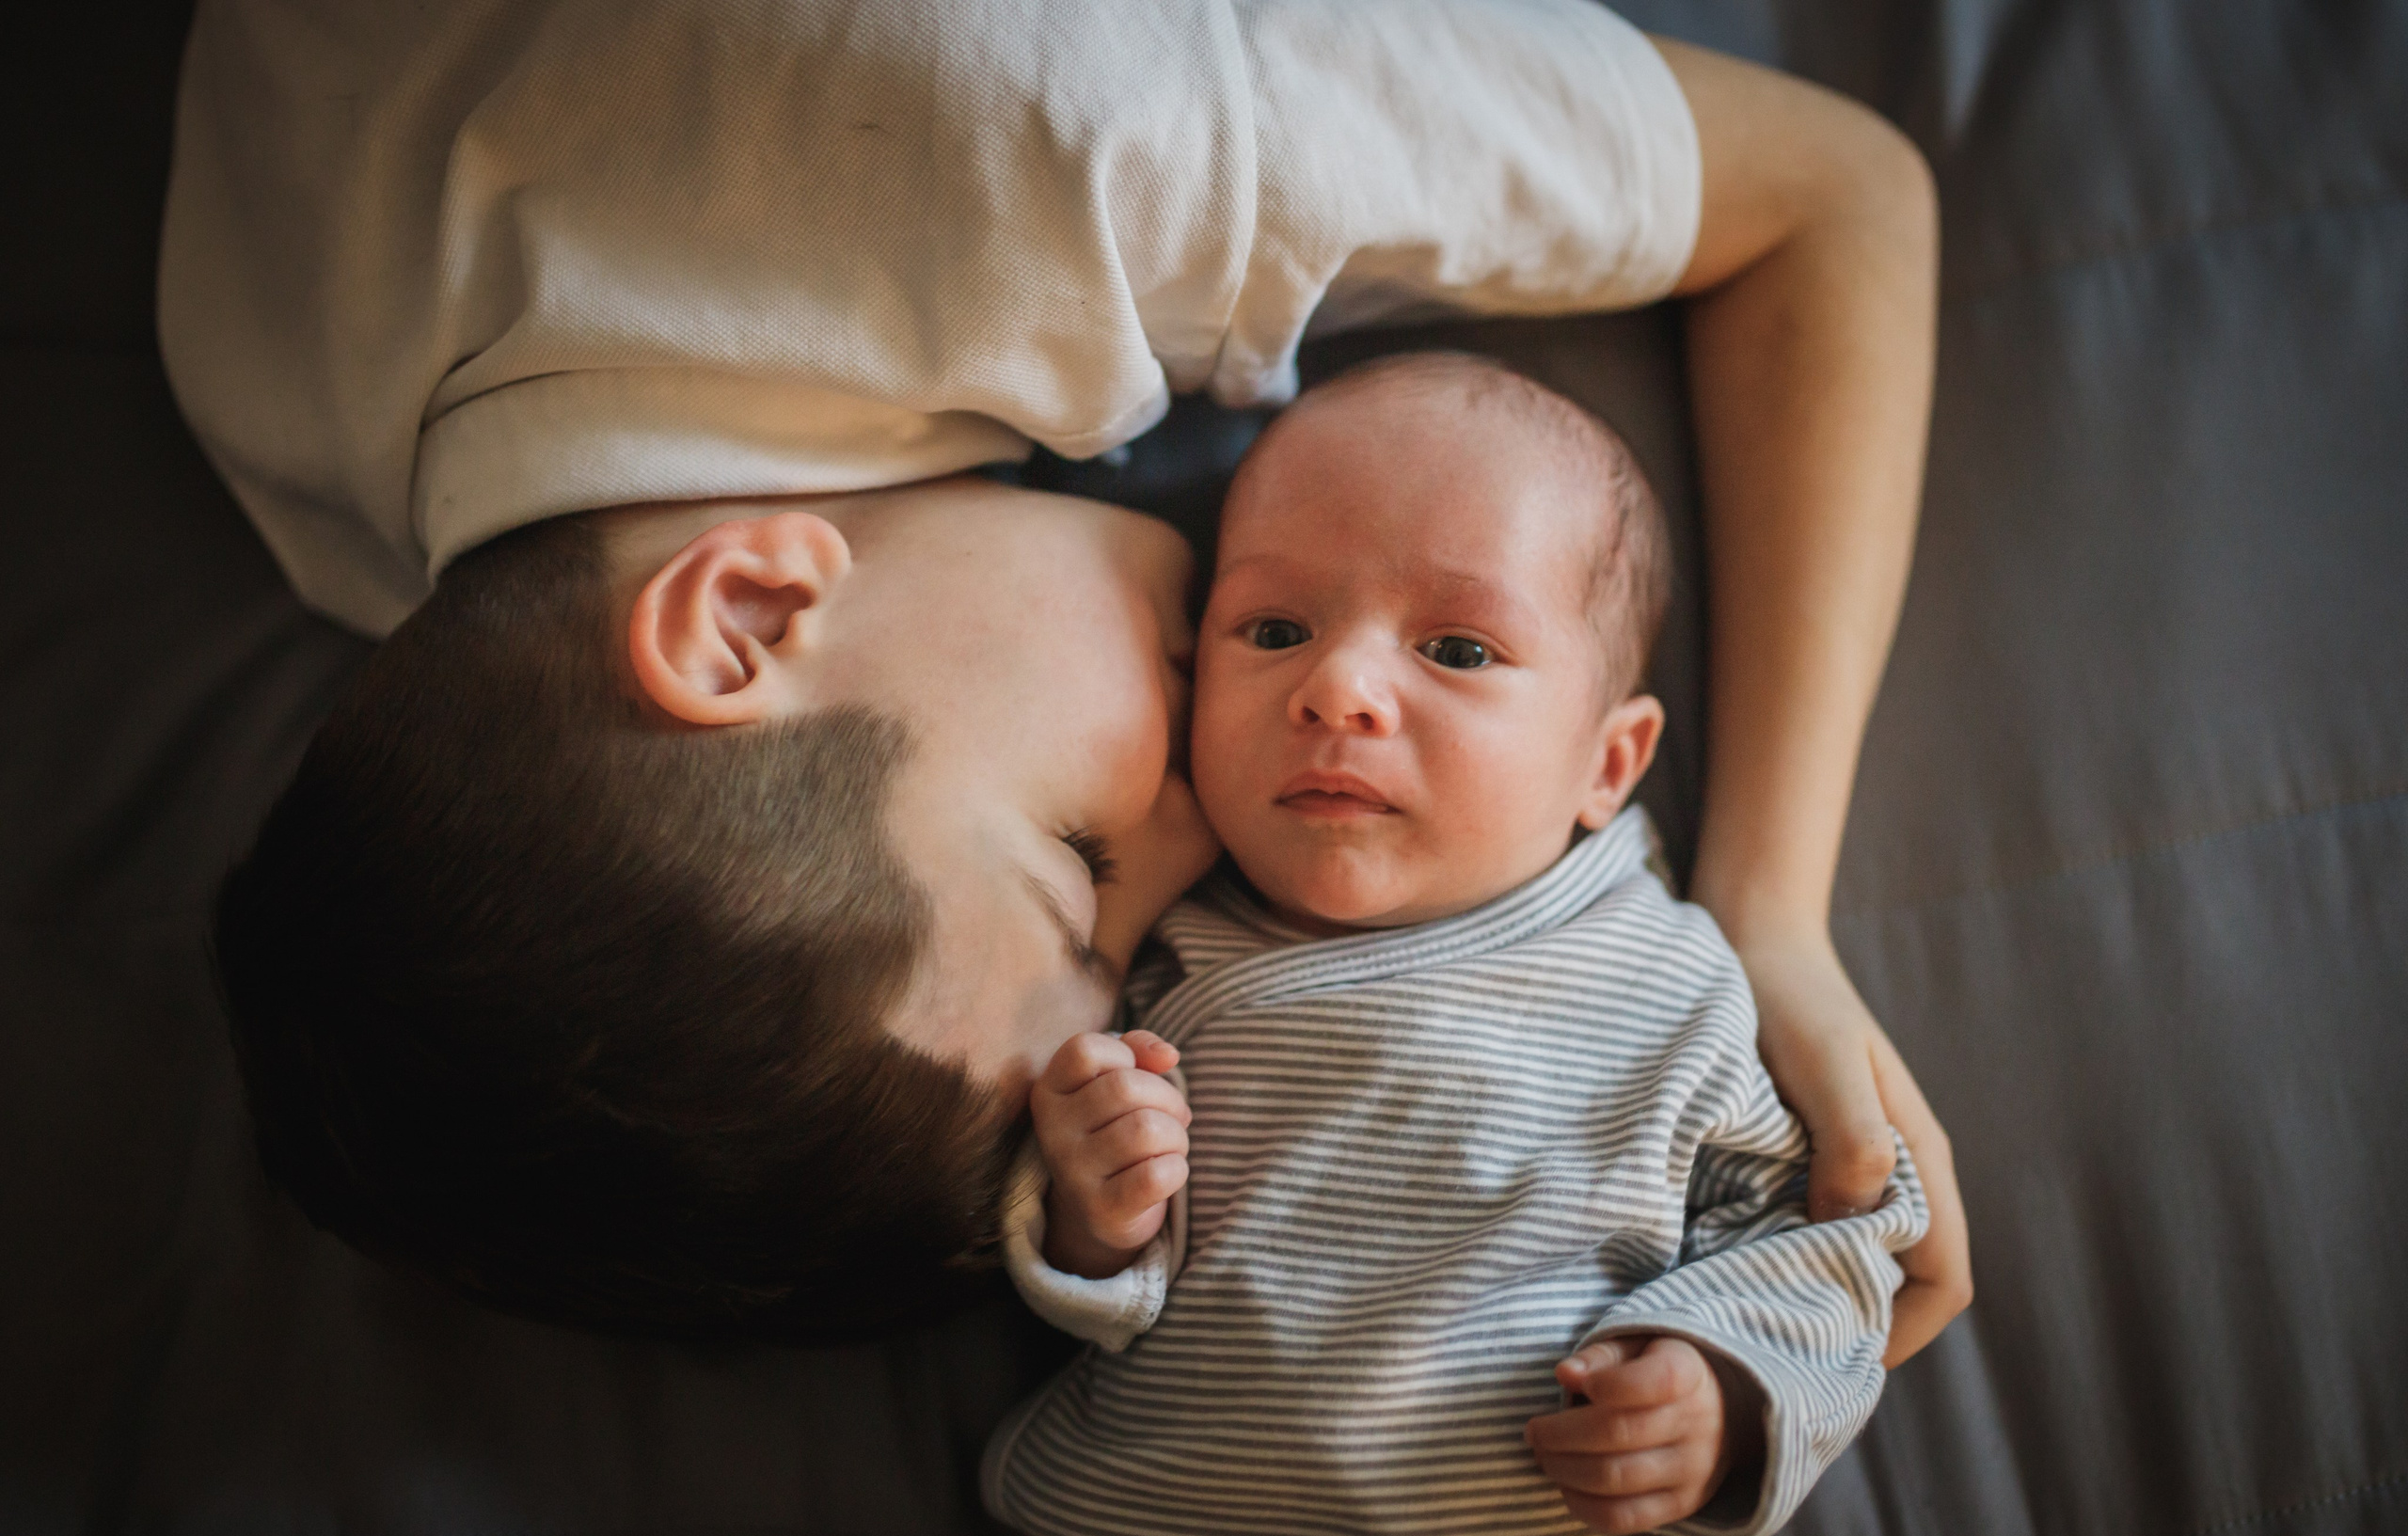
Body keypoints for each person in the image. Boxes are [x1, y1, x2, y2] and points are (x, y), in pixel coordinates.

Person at [168, 0, 1966, 1352]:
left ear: (752, 619)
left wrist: (1770, 918)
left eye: (1077, 865)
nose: (1209, 843)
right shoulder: (275, 406)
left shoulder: (1093, 161)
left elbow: (1843, 193)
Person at [983, 354, 1925, 1536]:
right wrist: (1095, 1225)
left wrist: (1728, 1394)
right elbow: (1110, 1303)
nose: (1338, 690)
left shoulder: (1675, 980)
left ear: (1609, 761)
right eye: (1273, 631)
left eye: (1459, 647)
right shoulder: (1165, 947)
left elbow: (1827, 1249)